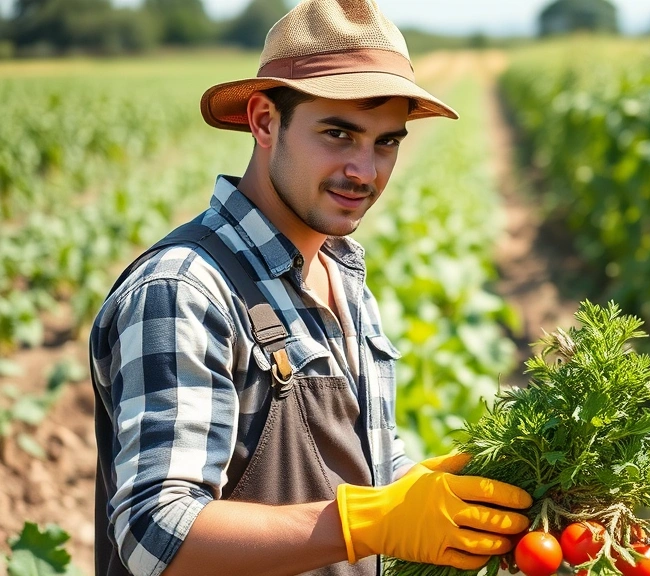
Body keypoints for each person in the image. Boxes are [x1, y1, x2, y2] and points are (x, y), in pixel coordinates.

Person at [88, 1, 533, 575]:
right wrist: (369, 523)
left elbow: (355, 470)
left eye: (385, 142)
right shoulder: (185, 290)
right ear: (265, 121)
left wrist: (419, 488)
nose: (365, 171)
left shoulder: (342, 277)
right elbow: (156, 530)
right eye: (338, 133)